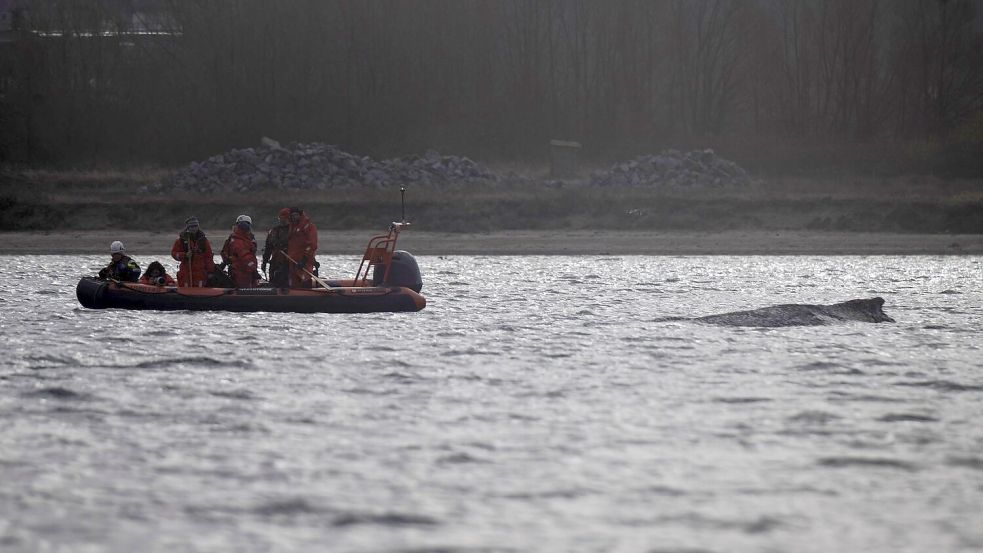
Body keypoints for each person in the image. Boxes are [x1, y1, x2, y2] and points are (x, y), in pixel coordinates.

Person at [171, 216, 215, 287]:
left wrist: (210, 271)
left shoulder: (203, 241)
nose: (194, 228)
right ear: (188, 227)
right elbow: (174, 253)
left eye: (195, 226)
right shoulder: (181, 240)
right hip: (186, 271)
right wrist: (184, 255)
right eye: (192, 226)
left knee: (200, 287)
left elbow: (208, 257)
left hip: (200, 272)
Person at [220, 214, 260, 288]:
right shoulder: (239, 240)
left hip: (243, 270)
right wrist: (254, 270)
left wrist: (227, 261)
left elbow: (224, 253)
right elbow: (245, 257)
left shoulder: (238, 238)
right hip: (242, 272)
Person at [286, 207, 318, 288]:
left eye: (296, 215)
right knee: (294, 283)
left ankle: (308, 296)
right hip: (293, 260)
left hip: (304, 261)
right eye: (292, 215)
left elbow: (312, 245)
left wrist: (304, 259)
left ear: (300, 215)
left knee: (305, 280)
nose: (294, 217)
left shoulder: (309, 227)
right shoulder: (291, 227)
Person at [262, 208, 291, 288]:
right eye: (281, 218)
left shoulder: (294, 231)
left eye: (284, 218)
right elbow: (268, 248)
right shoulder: (273, 231)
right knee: (273, 278)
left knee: (286, 280)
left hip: (289, 261)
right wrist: (264, 262)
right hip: (275, 261)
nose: (282, 220)